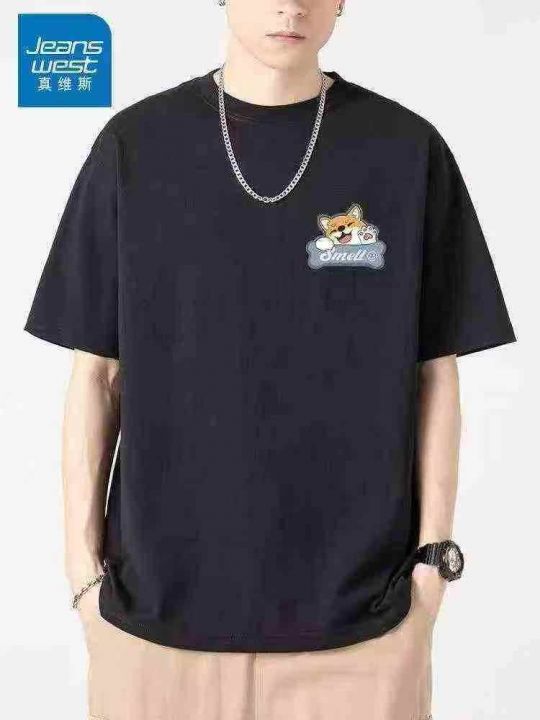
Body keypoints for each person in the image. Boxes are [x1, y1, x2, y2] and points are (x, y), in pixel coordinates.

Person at [23, 1, 516, 719]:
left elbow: (435, 371)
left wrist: (432, 564)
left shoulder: (407, 152)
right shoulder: (135, 147)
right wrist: (82, 573)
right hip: (152, 623)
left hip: (363, 627)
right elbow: (95, 373)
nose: (291, 4)